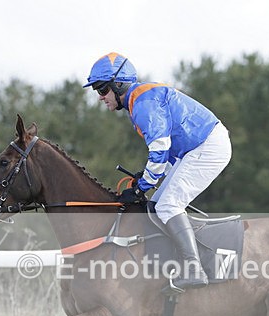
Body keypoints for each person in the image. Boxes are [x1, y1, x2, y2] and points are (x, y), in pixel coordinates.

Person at [83, 52, 232, 290]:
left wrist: (143, 185)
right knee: (156, 206)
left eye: (102, 89)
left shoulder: (143, 103)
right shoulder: (138, 101)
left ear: (118, 85)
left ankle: (194, 268)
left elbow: (160, 149)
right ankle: (176, 262)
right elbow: (167, 153)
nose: (100, 97)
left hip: (207, 146)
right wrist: (146, 179)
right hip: (192, 150)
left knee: (168, 206)